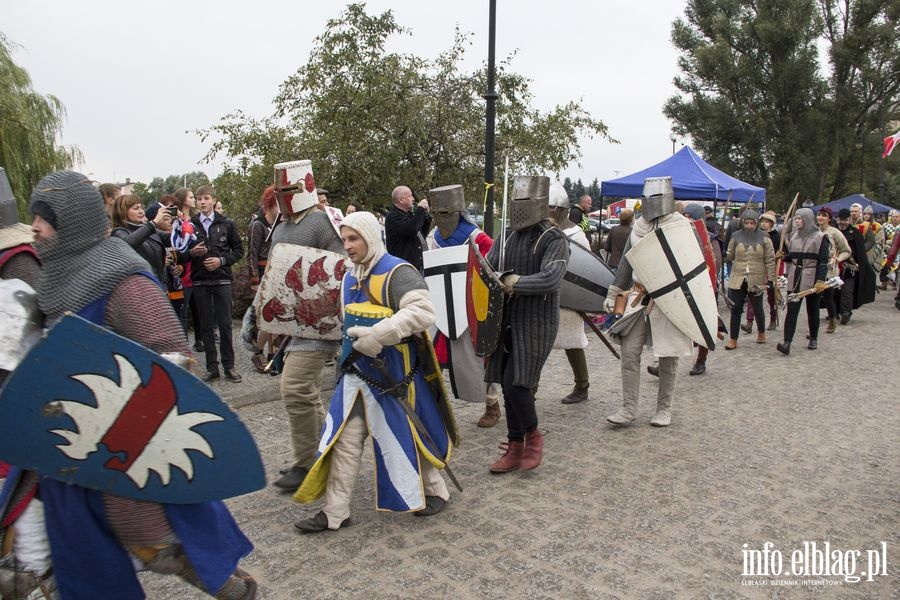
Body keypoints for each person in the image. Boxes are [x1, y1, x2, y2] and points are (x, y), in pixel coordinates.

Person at [14, 170, 256, 600]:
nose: (35, 226)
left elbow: (174, 360)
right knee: (62, 561)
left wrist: (125, 420)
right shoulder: (50, 288)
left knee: (163, 544)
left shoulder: (122, 280)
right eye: (35, 215)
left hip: (124, 453)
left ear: (73, 223)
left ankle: (228, 585)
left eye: (45, 217)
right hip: (67, 452)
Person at [293, 211, 457, 532]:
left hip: (393, 372)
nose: (348, 246)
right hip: (356, 374)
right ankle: (335, 513)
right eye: (344, 240)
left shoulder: (396, 271)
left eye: (353, 239)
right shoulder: (348, 276)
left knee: (405, 430)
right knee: (345, 440)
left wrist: (379, 335)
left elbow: (423, 311)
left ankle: (436, 488)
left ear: (370, 236)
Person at [266, 161, 345, 492]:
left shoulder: (325, 223)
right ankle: (316, 457)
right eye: (279, 191)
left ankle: (309, 461)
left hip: (320, 321)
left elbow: (340, 271)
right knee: (304, 393)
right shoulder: (282, 226)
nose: (284, 197)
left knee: (295, 387)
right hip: (293, 323)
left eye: (288, 190)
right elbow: (276, 274)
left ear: (304, 187)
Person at [605, 177, 706, 427]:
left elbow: (695, 266)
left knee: (668, 356)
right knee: (629, 354)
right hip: (640, 297)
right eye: (647, 197)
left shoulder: (683, 227)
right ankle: (629, 409)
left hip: (671, 299)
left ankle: (664, 409)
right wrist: (614, 291)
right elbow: (627, 263)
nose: (651, 203)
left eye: (656, 198)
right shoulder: (637, 228)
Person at [484, 177, 568, 473]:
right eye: (515, 202)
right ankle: (515, 445)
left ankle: (533, 438)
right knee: (507, 385)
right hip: (505, 319)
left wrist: (515, 282)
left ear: (540, 204)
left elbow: (551, 277)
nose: (519, 208)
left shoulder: (553, 238)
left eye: (525, 202)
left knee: (518, 383)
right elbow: (488, 267)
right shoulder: (506, 236)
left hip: (536, 321)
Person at [424, 184, 502, 427]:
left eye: (446, 213)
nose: (441, 219)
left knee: (478, 358)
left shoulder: (476, 237)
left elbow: (491, 272)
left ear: (458, 211)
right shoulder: (433, 237)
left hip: (472, 308)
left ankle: (492, 405)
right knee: (432, 356)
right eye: (437, 214)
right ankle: (433, 406)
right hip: (441, 306)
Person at [190, 185, 244, 383]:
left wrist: (221, 261)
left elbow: (239, 250)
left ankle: (229, 366)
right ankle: (212, 367)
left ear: (213, 200)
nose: (202, 202)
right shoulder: (190, 225)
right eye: (198, 198)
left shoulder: (226, 223)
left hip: (221, 278)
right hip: (200, 280)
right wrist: (192, 253)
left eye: (205, 198)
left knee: (225, 324)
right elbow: (181, 253)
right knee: (205, 326)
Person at [547, 181, 591, 404]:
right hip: (545, 294)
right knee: (537, 343)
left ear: (561, 210)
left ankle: (582, 386)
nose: (548, 213)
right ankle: (529, 387)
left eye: (551, 208)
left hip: (568, 297)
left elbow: (585, 269)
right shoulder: (543, 231)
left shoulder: (576, 234)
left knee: (573, 342)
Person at [775, 208, 830, 354]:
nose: (797, 221)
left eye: (799, 218)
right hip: (795, 277)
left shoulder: (820, 237)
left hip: (812, 277)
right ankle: (787, 343)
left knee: (812, 309)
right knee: (792, 310)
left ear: (807, 219)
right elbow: (793, 257)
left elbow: (823, 262)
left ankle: (813, 338)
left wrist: (820, 280)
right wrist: (783, 257)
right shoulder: (794, 237)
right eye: (796, 218)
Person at [723, 210, 775, 349]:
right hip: (738, 276)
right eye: (747, 223)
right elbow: (730, 256)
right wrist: (725, 253)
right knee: (736, 309)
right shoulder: (735, 236)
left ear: (756, 223)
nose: (749, 225)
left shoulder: (764, 237)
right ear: (742, 223)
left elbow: (770, 259)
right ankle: (733, 339)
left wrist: (770, 278)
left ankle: (761, 333)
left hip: (756, 277)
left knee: (757, 308)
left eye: (752, 223)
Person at [110, 194, 172, 282]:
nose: (141, 211)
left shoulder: (148, 229)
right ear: (122, 212)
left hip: (159, 284)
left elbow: (171, 239)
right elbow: (131, 242)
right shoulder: (118, 233)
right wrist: (154, 223)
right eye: (136, 208)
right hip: (140, 288)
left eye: (141, 207)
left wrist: (181, 226)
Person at [836, 207, 875, 323]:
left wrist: (862, 266)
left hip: (849, 267)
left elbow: (861, 251)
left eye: (845, 220)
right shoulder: (833, 231)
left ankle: (845, 312)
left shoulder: (855, 233)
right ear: (837, 219)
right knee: (833, 291)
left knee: (847, 290)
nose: (843, 222)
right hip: (833, 266)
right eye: (841, 219)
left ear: (849, 220)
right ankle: (833, 312)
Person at [815, 207, 850, 334]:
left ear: (829, 218)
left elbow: (846, 250)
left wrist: (838, 259)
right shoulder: (813, 232)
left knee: (828, 297)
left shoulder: (835, 232)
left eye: (824, 215)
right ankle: (814, 327)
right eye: (819, 215)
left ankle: (832, 320)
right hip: (815, 270)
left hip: (830, 270)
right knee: (814, 299)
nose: (820, 218)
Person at [385, 185, 431, 272]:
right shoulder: (393, 216)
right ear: (401, 200)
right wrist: (420, 208)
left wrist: (425, 214)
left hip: (417, 268)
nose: (413, 199)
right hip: (405, 270)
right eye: (410, 196)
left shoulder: (408, 215)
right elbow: (411, 229)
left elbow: (421, 232)